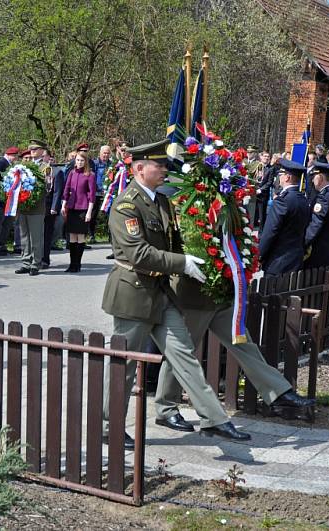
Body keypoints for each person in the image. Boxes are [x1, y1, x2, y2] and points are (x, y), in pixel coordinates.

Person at [101, 138, 251, 447]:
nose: (166, 171)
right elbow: (139, 254)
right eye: (160, 166)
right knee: (125, 365)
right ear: (140, 168)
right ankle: (109, 426)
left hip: (160, 293)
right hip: (133, 293)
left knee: (184, 356)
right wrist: (182, 263)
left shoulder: (161, 201)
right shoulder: (125, 205)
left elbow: (175, 242)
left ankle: (214, 419)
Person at [155, 276, 316, 434]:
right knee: (180, 354)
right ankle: (166, 409)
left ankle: (278, 392)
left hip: (221, 296)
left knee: (244, 344)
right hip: (193, 298)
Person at [258, 159, 310, 277]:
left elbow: (270, 232)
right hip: (296, 260)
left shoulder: (282, 201)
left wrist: (259, 255)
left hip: (278, 262)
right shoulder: (303, 200)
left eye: (280, 174)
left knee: (272, 295)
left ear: (287, 177)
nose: (278, 177)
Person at [15, 143, 49, 276]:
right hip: (23, 206)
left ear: (42, 151)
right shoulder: (24, 166)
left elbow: (48, 187)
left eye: (35, 149)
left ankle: (35, 263)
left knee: (35, 236)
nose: (32, 151)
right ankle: (25, 262)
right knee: (24, 236)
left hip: (36, 206)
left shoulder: (45, 167)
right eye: (31, 149)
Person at [303, 162, 329, 269]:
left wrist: (302, 245)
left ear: (320, 178)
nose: (312, 180)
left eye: (314, 177)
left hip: (317, 255)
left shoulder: (323, 199)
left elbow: (314, 227)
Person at [60, 152, 96, 272]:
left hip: (83, 208)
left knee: (80, 237)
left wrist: (89, 212)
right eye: (78, 160)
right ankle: (71, 264)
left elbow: (91, 195)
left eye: (82, 160)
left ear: (85, 162)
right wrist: (64, 205)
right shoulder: (72, 173)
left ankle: (78, 264)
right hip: (72, 208)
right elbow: (66, 189)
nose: (79, 162)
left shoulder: (90, 175)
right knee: (72, 237)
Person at [0, 146, 18, 256]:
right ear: (11, 155)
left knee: (6, 223)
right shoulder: (1, 163)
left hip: (8, 199)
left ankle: (1, 245)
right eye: (15, 156)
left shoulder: (8, 164)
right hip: (0, 198)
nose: (16, 159)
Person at [43, 158, 66, 269]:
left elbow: (58, 191)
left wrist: (54, 207)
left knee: (47, 234)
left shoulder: (56, 172)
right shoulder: (37, 170)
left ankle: (45, 260)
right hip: (37, 208)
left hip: (49, 208)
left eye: (46, 157)